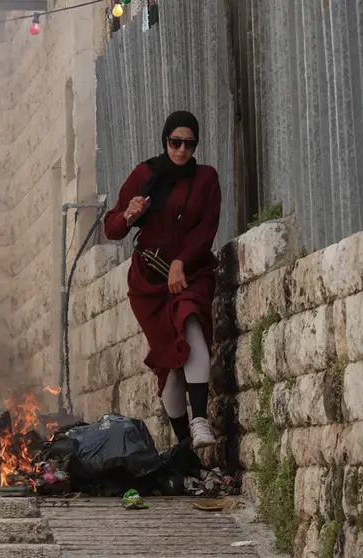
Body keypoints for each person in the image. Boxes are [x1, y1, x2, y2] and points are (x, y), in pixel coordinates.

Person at [103, 111, 221, 451]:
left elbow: (207, 227)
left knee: (192, 324)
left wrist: (182, 261)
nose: (181, 150)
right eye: (175, 142)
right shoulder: (145, 174)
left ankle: (199, 420)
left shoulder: (206, 179)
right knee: (170, 362)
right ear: (165, 140)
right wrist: (129, 214)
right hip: (148, 281)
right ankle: (186, 446)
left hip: (190, 274)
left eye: (189, 144)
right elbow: (112, 228)